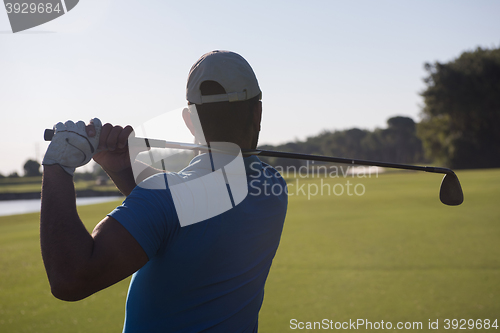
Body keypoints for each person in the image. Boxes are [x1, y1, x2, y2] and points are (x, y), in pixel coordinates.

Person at [40, 50, 288, 332]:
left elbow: (70, 279)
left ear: (189, 120)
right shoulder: (272, 187)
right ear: (258, 112)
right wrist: (123, 168)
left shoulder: (165, 200)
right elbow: (181, 211)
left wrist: (58, 164)